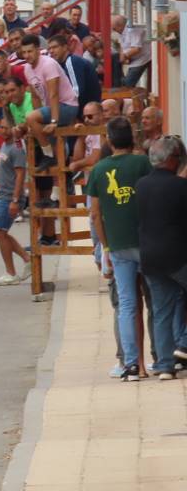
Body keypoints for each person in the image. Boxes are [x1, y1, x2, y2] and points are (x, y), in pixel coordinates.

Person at [86, 116, 153, 381]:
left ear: (110, 140)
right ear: (132, 138)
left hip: (118, 244)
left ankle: (131, 365)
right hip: (147, 242)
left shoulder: (99, 170)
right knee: (155, 302)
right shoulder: (144, 163)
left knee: (127, 304)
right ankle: (161, 360)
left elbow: (94, 214)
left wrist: (105, 247)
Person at [136, 136, 187, 379]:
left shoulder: (141, 185)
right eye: (178, 158)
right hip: (177, 256)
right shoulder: (180, 186)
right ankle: (184, 344)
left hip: (150, 256)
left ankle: (165, 365)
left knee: (162, 311)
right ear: (169, 160)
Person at [21, 34, 80, 173]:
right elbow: (35, 96)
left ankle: (47, 154)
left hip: (68, 106)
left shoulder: (48, 64)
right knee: (34, 122)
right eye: (24, 52)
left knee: (30, 117)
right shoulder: (27, 68)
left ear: (37, 50)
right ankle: (60, 181)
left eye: (29, 51)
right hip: (53, 108)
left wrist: (53, 121)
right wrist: (40, 120)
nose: (27, 55)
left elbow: (54, 94)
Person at [0, 138, 33, 286]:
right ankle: (27, 260)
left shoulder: (17, 147)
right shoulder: (4, 144)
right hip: (2, 193)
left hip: (9, 196)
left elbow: (20, 174)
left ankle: (11, 273)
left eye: (5, 127)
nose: (1, 130)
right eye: (0, 127)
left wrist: (15, 199)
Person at [46, 33, 101, 112]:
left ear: (65, 47)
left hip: (87, 110)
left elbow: (77, 92)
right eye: (49, 48)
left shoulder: (72, 61)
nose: (51, 51)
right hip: (81, 107)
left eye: (55, 47)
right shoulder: (60, 64)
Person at [113, 14, 151, 88]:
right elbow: (121, 45)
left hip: (143, 58)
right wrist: (122, 57)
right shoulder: (122, 31)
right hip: (133, 59)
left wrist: (125, 56)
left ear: (120, 26)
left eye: (114, 29)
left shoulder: (133, 29)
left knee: (128, 83)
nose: (114, 31)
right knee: (114, 59)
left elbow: (137, 48)